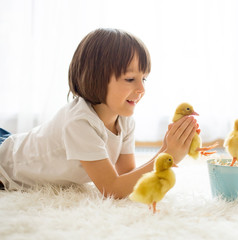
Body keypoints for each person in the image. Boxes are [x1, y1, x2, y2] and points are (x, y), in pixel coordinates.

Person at [0, 28, 197, 197]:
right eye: (130, 79)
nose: (141, 89)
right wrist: (171, 155)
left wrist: (165, 150)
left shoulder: (125, 120)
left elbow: (127, 176)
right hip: (5, 163)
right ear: (96, 78)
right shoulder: (79, 122)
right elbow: (111, 189)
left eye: (143, 79)